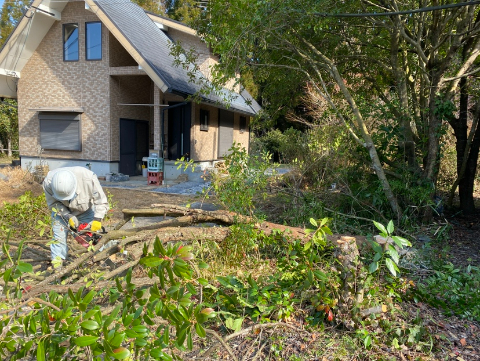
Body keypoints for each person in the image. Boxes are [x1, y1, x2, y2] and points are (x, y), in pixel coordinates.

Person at [43, 166, 109, 265]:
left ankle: (102, 260)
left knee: (91, 239)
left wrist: (97, 219)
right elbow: (53, 204)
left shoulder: (88, 178)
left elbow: (101, 201)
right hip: (61, 213)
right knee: (58, 240)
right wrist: (68, 215)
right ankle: (57, 269)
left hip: (84, 211)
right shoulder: (48, 183)